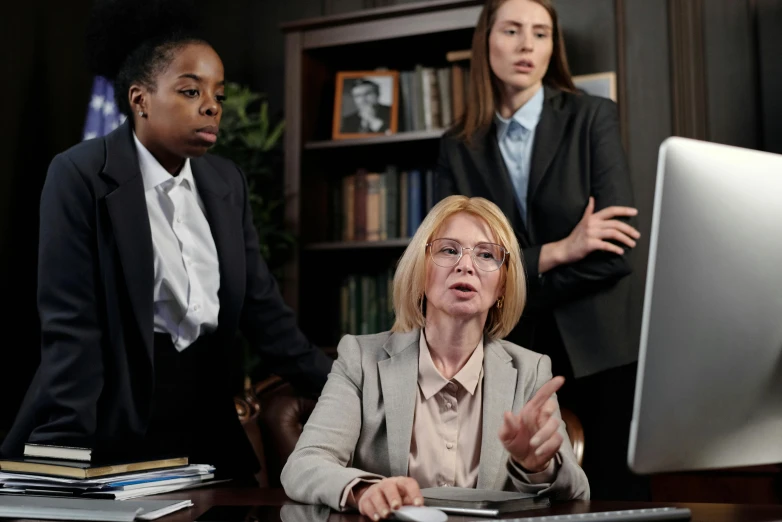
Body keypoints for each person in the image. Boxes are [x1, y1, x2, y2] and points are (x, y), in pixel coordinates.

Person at [0, 0, 332, 482]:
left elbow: (265, 312)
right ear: (140, 100)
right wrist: (63, 464)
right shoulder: (79, 175)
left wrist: (349, 389)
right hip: (112, 427)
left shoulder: (226, 182)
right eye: (190, 90)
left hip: (207, 426)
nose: (212, 105)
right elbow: (72, 329)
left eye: (218, 92)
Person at [434, 0, 646, 500]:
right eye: (512, 30)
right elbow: (449, 261)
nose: (528, 45)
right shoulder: (458, 145)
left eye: (541, 33)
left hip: (602, 352)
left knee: (617, 500)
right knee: (520, 500)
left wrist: (509, 276)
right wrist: (562, 249)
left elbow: (617, 254)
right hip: (505, 352)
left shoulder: (592, 117)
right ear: (486, 40)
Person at [281, 196, 589, 519]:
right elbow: (303, 464)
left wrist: (537, 467)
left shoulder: (530, 372)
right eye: (449, 250)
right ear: (421, 271)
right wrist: (364, 491)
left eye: (486, 254)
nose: (466, 265)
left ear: (502, 286)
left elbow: (578, 494)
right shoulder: (360, 360)